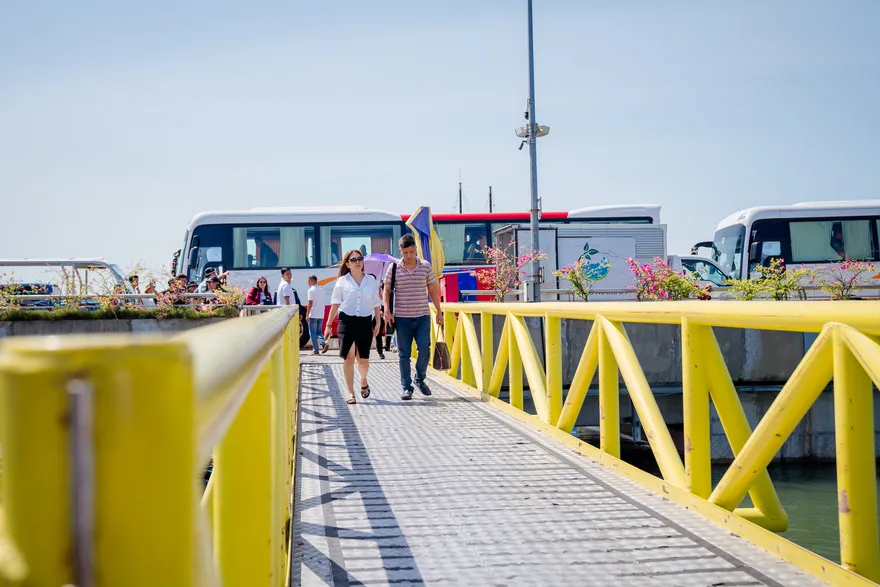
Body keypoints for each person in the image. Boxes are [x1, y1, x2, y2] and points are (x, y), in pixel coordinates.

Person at [383, 234, 443, 400]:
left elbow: (433, 290)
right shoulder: (393, 268)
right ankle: (406, 387)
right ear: (400, 250)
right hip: (402, 318)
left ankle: (419, 378)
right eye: (405, 252)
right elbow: (386, 291)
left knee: (424, 350)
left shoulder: (425, 266)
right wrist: (387, 310)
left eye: (411, 251)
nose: (408, 255)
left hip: (422, 316)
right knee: (404, 354)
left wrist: (439, 311)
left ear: (416, 248)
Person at [324, 250, 381, 404]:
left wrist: (378, 322)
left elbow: (376, 302)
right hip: (346, 321)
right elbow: (335, 303)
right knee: (349, 357)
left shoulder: (370, 280)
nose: (357, 262)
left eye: (359, 259)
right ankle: (350, 392)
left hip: (365, 322)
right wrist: (328, 325)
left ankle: (363, 380)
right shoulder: (342, 281)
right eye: (353, 259)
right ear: (348, 264)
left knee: (363, 361)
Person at [307, 275, 329, 355]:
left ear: (310, 281)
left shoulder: (311, 290)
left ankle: (315, 350)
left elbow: (310, 302)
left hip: (313, 314)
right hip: (321, 314)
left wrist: (307, 314)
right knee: (319, 332)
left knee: (312, 333)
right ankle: (323, 343)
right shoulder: (322, 290)